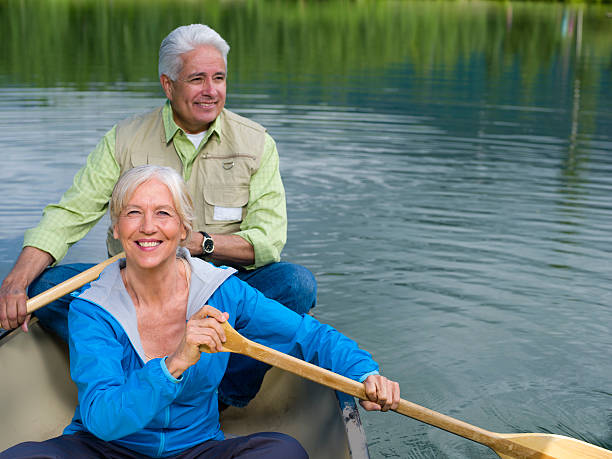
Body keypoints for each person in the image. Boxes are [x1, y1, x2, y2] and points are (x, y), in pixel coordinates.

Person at [0, 24, 316, 408]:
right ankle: (139, 369)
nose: (211, 90)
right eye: (197, 79)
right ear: (168, 85)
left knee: (296, 284)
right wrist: (16, 281)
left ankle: (220, 394)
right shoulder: (124, 139)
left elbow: (266, 243)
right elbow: (70, 214)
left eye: (219, 78)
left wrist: (200, 244)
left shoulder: (256, 143)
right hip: (136, 289)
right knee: (45, 286)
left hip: (217, 294)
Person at [0, 165, 400, 459]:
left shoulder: (222, 291)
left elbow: (308, 336)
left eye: (163, 213)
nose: (148, 227)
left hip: (196, 449)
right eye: (133, 213)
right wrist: (174, 363)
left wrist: (365, 374)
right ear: (117, 228)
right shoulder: (93, 309)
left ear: (183, 227)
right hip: (105, 448)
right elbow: (103, 419)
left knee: (283, 452)